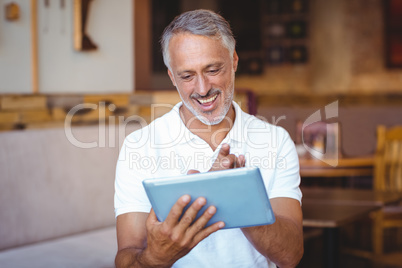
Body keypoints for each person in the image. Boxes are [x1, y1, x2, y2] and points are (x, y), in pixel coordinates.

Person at [114, 9, 303, 268]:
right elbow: (127, 256)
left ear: (234, 61)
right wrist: (155, 258)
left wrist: (238, 195)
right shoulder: (139, 147)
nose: (202, 89)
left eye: (213, 69)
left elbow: (290, 255)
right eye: (187, 76)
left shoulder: (276, 140)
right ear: (172, 76)